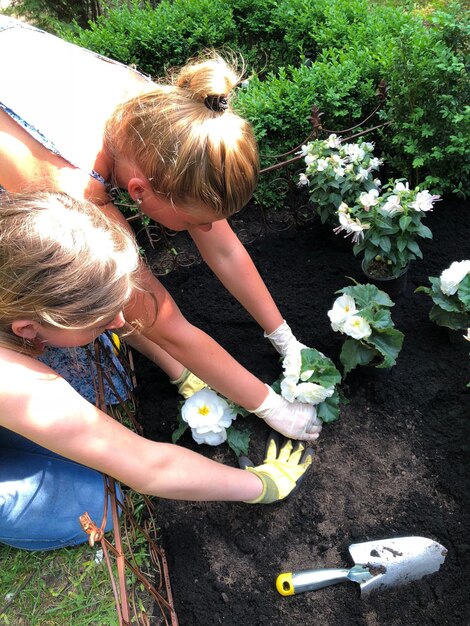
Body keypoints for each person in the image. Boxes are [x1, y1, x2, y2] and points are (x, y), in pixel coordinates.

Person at [0, 16, 322, 442]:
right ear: (139, 190)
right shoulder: (72, 192)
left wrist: (284, 337)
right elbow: (159, 317)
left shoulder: (171, 121)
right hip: (19, 158)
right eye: (195, 221)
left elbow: (224, 250)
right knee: (92, 289)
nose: (209, 228)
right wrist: (270, 405)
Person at [0, 191, 314, 551]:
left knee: (72, 445)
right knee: (99, 502)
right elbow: (150, 468)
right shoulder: (13, 382)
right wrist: (260, 486)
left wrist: (179, 371)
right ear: (26, 328)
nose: (120, 321)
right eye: (101, 320)